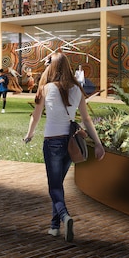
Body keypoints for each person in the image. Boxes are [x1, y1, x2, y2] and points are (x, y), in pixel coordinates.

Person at [23, 51, 105, 242]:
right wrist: (98, 144)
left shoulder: (46, 88)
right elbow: (86, 118)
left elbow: (35, 116)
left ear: (52, 67)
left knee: (54, 186)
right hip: (71, 141)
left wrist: (29, 135)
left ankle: (65, 216)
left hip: (52, 141)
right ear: (68, 67)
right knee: (58, 183)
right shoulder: (77, 89)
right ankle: (54, 226)